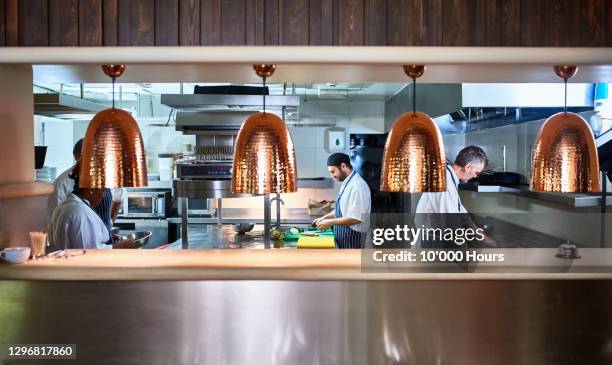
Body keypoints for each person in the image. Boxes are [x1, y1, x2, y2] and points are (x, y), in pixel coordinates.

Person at [415, 145, 496, 247]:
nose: (475, 176)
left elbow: (464, 217)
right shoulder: (445, 183)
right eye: (476, 172)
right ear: (468, 167)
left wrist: (488, 240)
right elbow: (453, 226)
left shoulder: (450, 178)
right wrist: (466, 256)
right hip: (431, 241)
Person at [48, 165, 138, 250]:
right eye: (103, 190)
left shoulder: (66, 206)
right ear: (91, 189)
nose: (103, 196)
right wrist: (120, 247)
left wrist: (104, 235)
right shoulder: (80, 213)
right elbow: (89, 254)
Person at [47, 139, 122, 230]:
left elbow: (117, 200)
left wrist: (107, 231)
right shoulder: (61, 185)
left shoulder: (107, 176)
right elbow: (56, 225)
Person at [313, 153, 371, 249]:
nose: (332, 176)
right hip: (345, 239)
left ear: (343, 166)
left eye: (333, 171)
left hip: (354, 241)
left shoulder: (357, 186)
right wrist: (325, 217)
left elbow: (356, 218)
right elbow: (342, 209)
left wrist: (330, 222)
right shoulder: (347, 182)